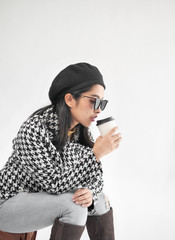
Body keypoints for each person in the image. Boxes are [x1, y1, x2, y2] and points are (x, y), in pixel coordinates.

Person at [0, 62, 122, 240]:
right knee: (74, 206)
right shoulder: (33, 129)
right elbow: (54, 184)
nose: (98, 109)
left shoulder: (81, 132)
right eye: (93, 100)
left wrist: (91, 193)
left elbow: (95, 179)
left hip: (36, 202)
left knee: (100, 200)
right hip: (7, 203)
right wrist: (95, 154)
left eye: (102, 103)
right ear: (70, 99)